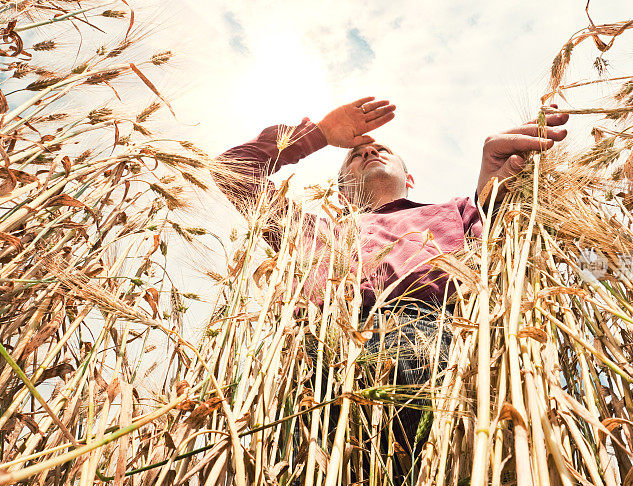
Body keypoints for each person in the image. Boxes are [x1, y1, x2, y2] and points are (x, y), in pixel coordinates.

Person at [215, 96, 568, 460]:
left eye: (381, 149)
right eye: (355, 155)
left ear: (409, 178)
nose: (368, 153)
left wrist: (493, 187)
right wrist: (319, 134)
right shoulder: (307, 232)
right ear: (341, 192)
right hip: (323, 363)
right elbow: (233, 170)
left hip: (443, 344)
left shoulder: (459, 212)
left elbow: (503, 251)